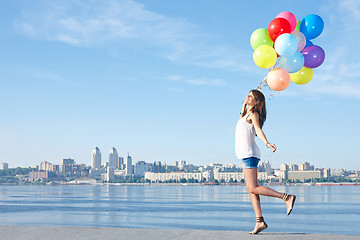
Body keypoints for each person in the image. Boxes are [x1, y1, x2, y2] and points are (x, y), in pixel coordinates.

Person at [235, 89, 296, 234]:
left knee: (253, 188)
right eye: (248, 94)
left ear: (257, 102)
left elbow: (258, 129)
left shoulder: (253, 115)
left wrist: (267, 142)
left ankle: (287, 197)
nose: (247, 96)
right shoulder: (244, 115)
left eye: (251, 96)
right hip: (245, 155)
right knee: (251, 190)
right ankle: (259, 221)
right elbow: (241, 116)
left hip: (250, 154)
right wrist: (244, 106)